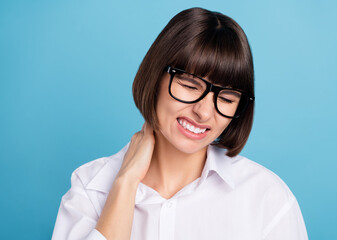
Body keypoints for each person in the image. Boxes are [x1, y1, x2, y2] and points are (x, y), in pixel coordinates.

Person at [52, 7, 308, 240]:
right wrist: (125, 183)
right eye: (189, 85)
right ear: (156, 77)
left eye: (227, 98)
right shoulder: (91, 188)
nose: (204, 112)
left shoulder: (267, 198)